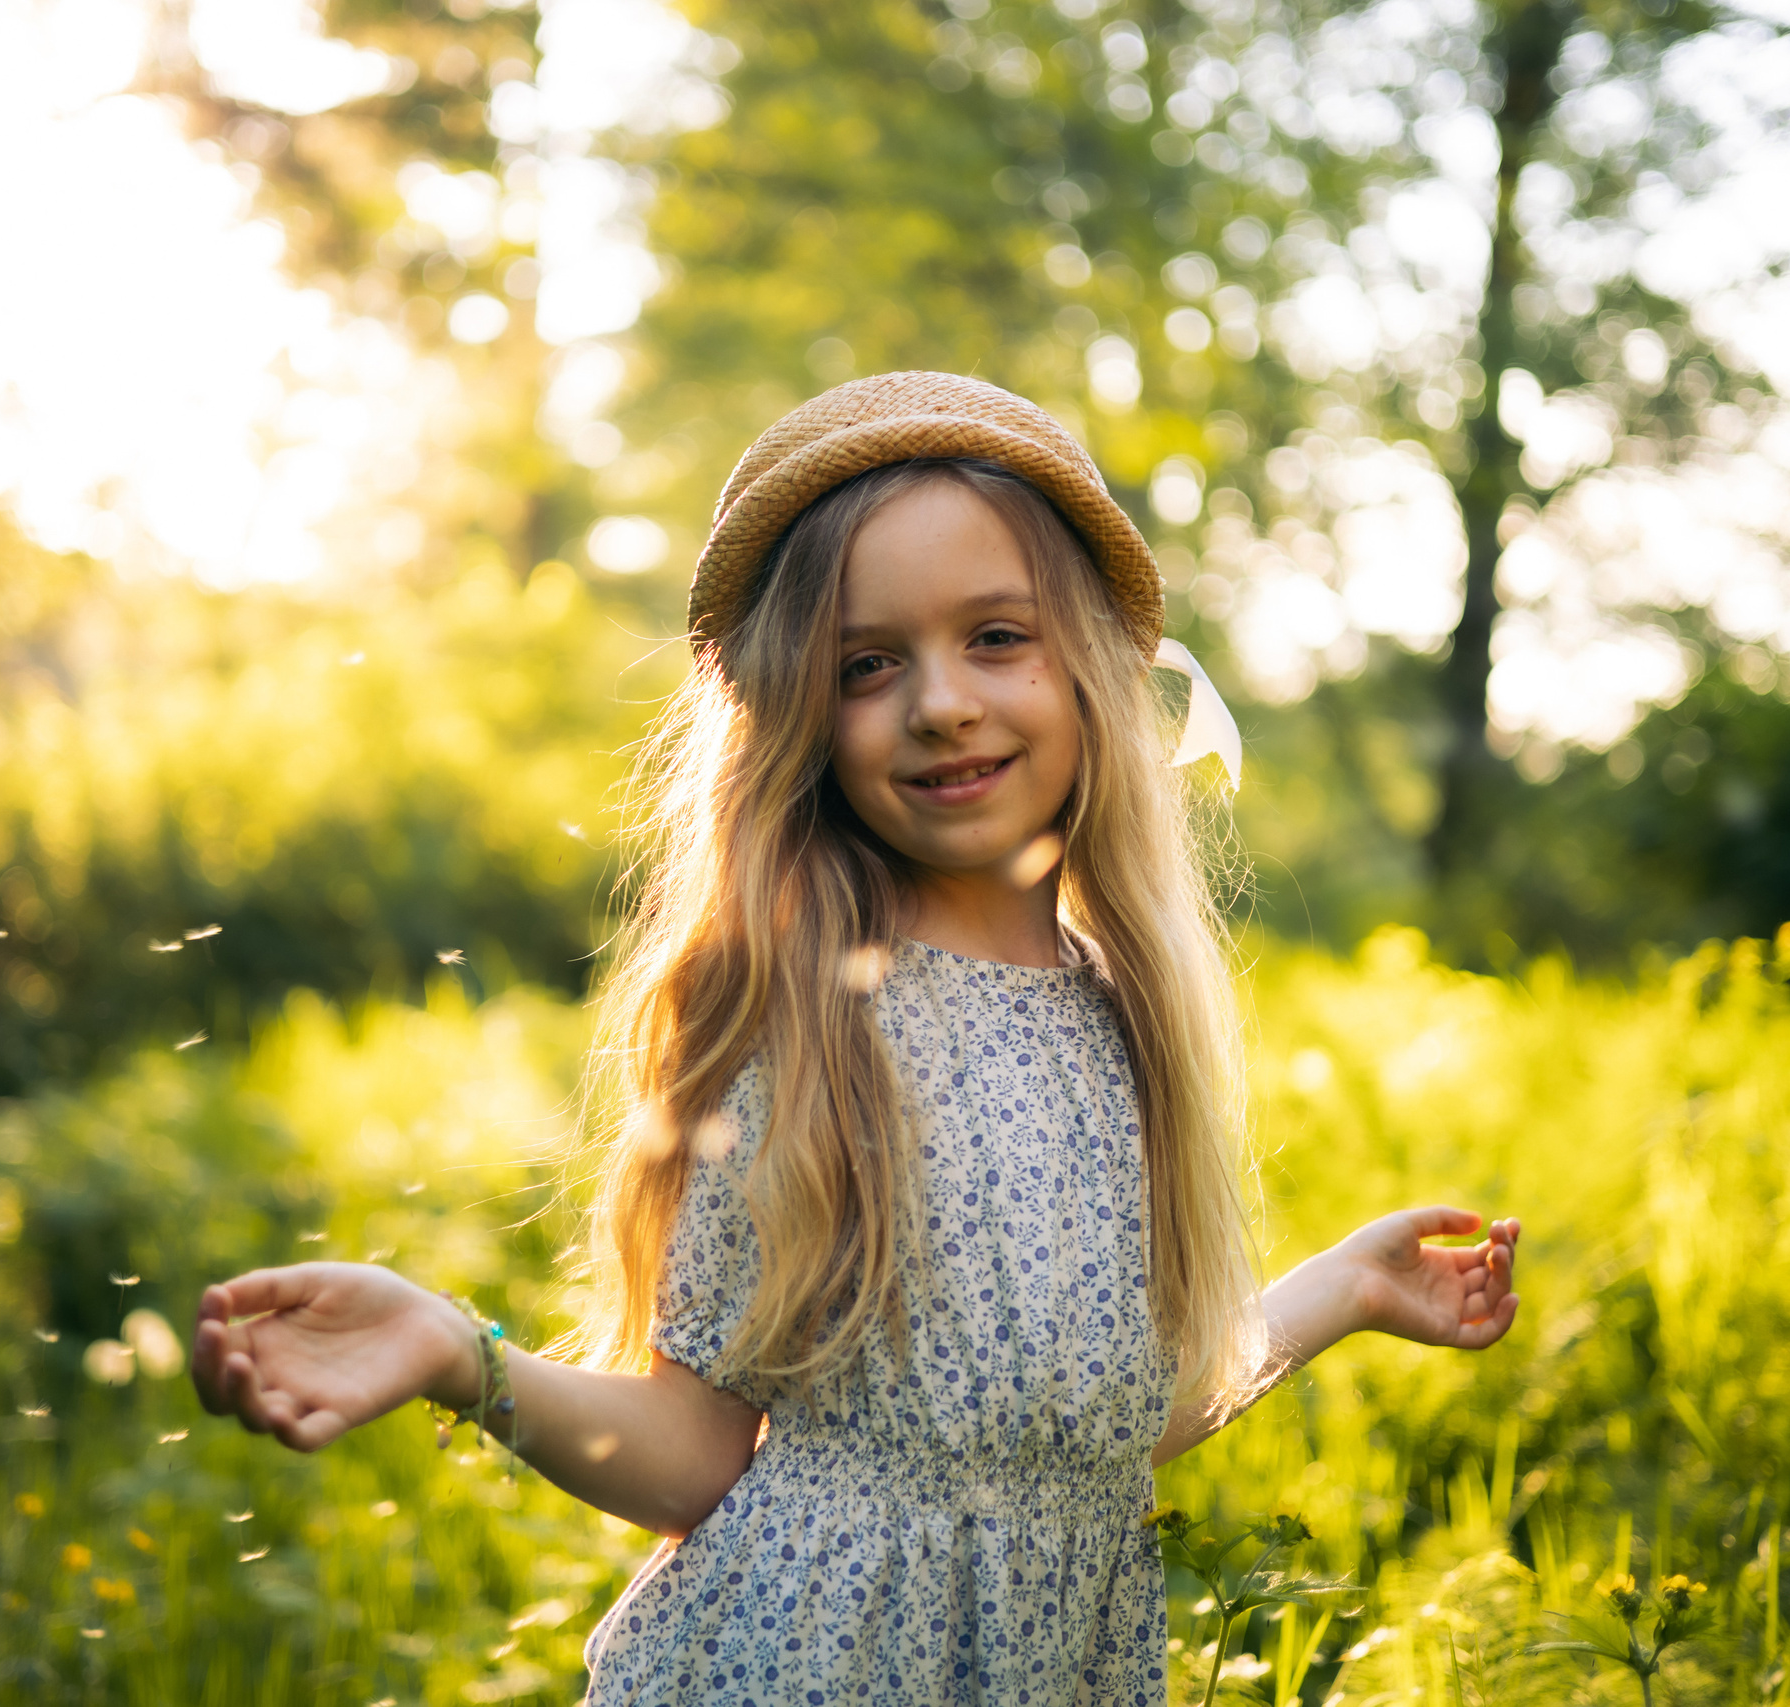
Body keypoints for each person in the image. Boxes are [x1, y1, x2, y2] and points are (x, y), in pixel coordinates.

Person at [191, 373, 1521, 1703]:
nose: (939, 703)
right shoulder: (809, 1025)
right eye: (866, 666)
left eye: (997, 636)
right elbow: (694, 1453)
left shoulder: (1128, 1017)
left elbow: (1079, 1434)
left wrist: (1338, 1294)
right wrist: (460, 1358)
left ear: (1093, 666)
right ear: (802, 721)